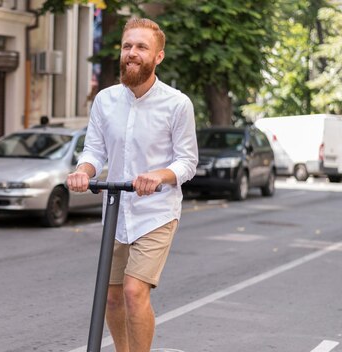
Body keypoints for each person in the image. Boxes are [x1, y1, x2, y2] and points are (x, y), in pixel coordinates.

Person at [66, 18, 198, 351]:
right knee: (111, 299)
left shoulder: (177, 104)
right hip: (116, 210)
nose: (132, 53)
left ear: (158, 57)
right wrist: (83, 171)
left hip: (156, 212)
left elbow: (187, 161)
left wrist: (159, 176)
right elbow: (94, 150)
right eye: (127, 46)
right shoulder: (105, 101)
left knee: (133, 291)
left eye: (141, 47)